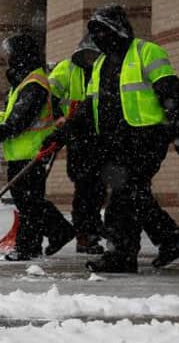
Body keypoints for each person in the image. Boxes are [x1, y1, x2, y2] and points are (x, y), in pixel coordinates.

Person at [43, 5, 179, 273]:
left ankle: (122, 256)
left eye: (102, 30)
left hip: (147, 137)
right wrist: (63, 132)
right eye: (95, 32)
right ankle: (171, 241)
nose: (98, 37)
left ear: (117, 29)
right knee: (134, 194)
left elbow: (171, 94)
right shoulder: (101, 64)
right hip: (116, 142)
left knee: (123, 197)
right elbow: (87, 110)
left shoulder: (146, 51)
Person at [0, 33, 76, 261]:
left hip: (33, 149)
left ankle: (35, 243)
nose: (6, 58)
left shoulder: (34, 84)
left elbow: (19, 121)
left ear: (20, 55)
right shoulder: (22, 81)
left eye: (9, 53)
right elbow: (11, 112)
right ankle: (48, 236)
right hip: (21, 151)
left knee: (29, 201)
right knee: (27, 199)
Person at [48, 34, 106, 254]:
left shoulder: (107, 68)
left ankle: (92, 229)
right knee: (85, 189)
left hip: (101, 137)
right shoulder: (67, 69)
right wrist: (58, 119)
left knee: (98, 189)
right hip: (78, 137)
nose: (90, 59)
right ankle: (85, 234)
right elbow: (49, 94)